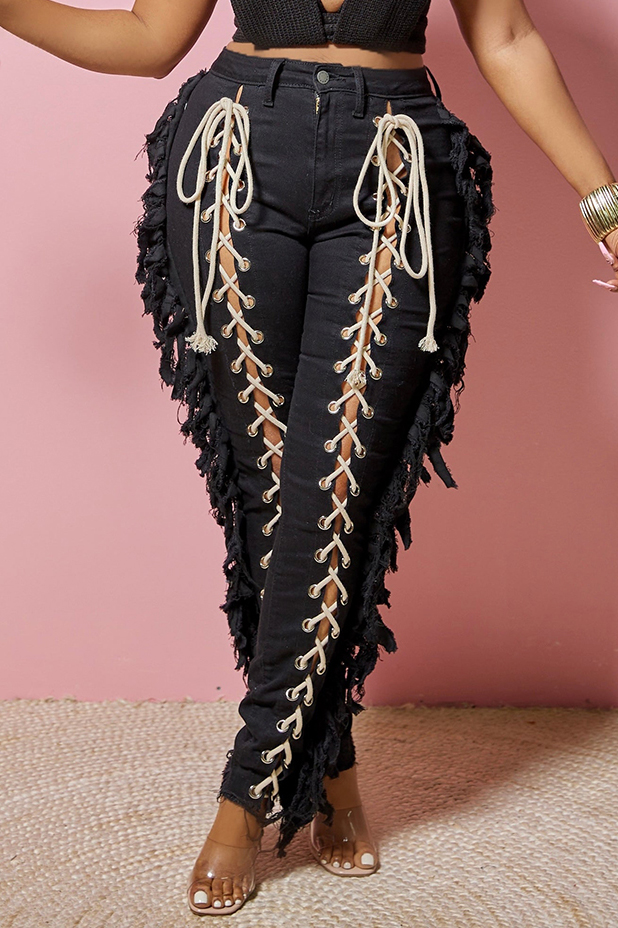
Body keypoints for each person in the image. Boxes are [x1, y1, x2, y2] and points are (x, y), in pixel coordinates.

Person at [3, 0, 617, 917]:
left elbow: (507, 37)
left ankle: (245, 796)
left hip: (397, 170)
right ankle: (331, 766)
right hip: (235, 160)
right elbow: (149, 39)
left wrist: (604, 199)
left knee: (335, 494)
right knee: (269, 503)